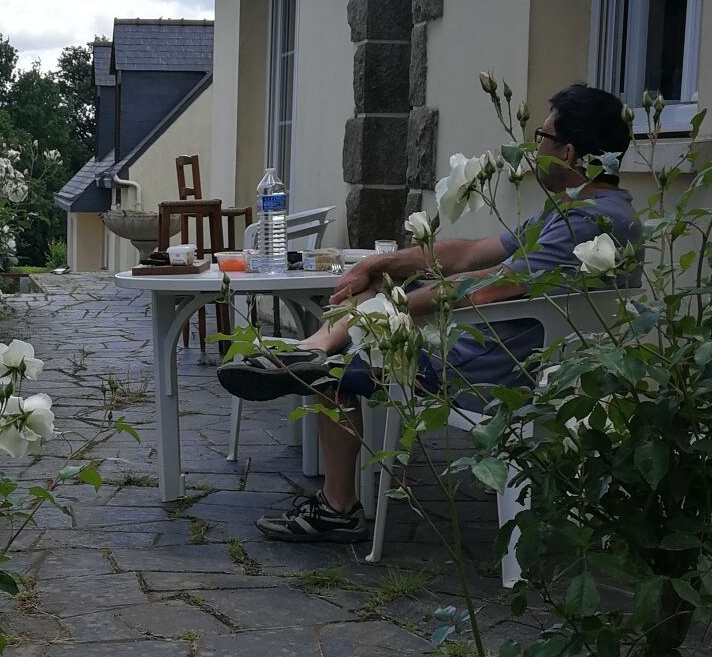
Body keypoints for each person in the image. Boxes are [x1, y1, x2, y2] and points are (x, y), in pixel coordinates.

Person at [219, 84, 642, 544]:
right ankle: (311, 349)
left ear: (568, 151)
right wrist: (380, 267)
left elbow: (480, 289)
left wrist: (393, 304)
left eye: (541, 135)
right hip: (535, 366)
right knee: (381, 292)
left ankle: (336, 500)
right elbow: (468, 254)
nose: (533, 146)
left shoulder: (582, 223)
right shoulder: (597, 213)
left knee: (333, 374)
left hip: (490, 370)